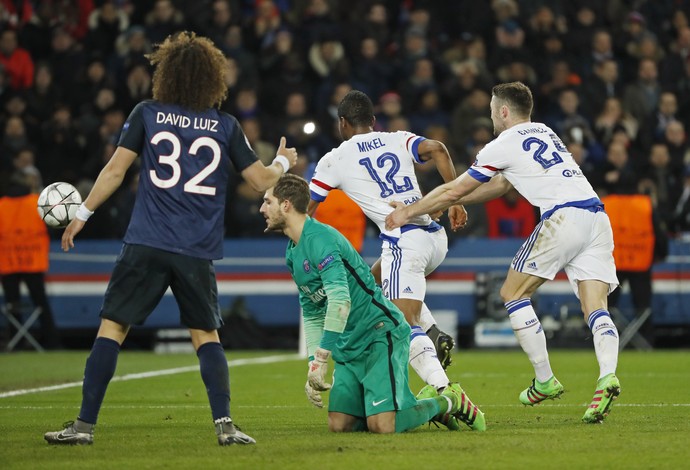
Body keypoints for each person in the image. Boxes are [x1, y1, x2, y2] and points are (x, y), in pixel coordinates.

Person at [43, 31, 298, 446]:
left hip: (147, 239)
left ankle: (84, 427)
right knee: (205, 335)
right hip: (195, 248)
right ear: (212, 79)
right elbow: (260, 181)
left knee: (112, 328)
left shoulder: (147, 112)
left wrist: (82, 214)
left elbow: (114, 171)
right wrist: (284, 160)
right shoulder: (226, 125)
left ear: (168, 74)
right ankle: (226, 427)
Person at [386, 81, 622, 424]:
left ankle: (545, 379)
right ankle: (607, 377)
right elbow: (502, 185)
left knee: (512, 293)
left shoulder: (502, 143)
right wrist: (450, 202)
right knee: (595, 307)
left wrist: (410, 211)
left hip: (563, 217)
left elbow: (455, 188)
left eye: (493, 110)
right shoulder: (544, 132)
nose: (492, 116)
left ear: (504, 111)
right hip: (597, 217)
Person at [259, 174, 485, 433]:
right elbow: (312, 311)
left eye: (267, 201)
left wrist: (322, 358)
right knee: (340, 425)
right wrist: (313, 363)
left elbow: (340, 302)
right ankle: (402, 405)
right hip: (348, 343)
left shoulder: (320, 240)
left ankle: (448, 402)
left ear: (286, 204)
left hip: (378, 333)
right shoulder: (293, 251)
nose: (262, 208)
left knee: (382, 425)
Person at [306, 90, 477, 407]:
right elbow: (438, 149)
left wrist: (300, 248)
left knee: (399, 321)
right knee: (371, 287)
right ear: (373, 121)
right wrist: (455, 201)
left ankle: (444, 389)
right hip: (434, 237)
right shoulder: (398, 138)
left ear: (342, 123)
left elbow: (307, 211)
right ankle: (433, 331)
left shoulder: (334, 159)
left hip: (404, 241)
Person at [0, 169, 60, 350]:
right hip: (33, 260)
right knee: (40, 303)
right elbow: (53, 227)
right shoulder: (36, 202)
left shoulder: (1, 205)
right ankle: (52, 342)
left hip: (7, 260)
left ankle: (16, 343)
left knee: (12, 305)